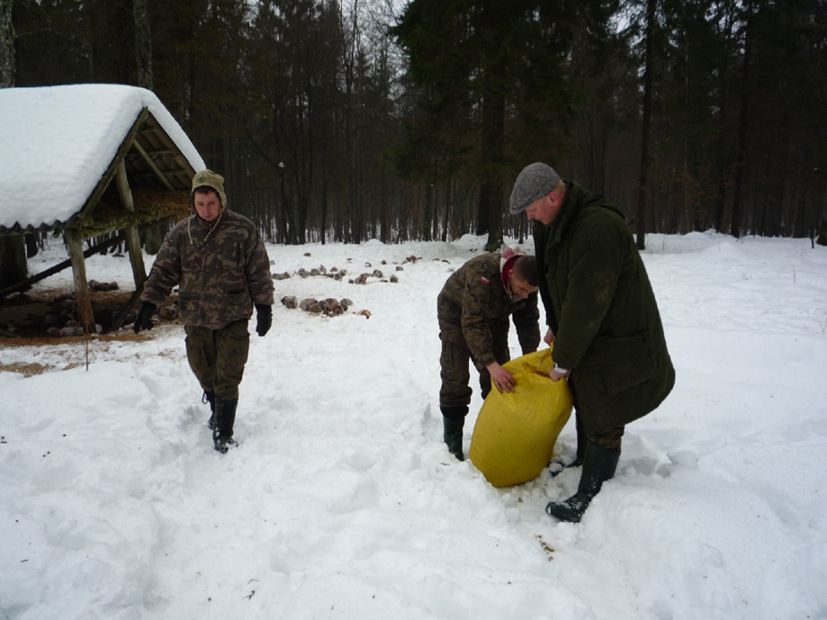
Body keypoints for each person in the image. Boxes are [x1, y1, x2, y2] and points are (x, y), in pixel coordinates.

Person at [509, 162, 675, 522]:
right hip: (590, 330)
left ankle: (593, 492)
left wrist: (563, 357)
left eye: (533, 209)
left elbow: (588, 299)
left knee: (605, 405)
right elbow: (556, 280)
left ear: (553, 196)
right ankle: (583, 461)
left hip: (619, 335)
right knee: (585, 392)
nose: (531, 217)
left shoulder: (598, 227)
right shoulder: (551, 224)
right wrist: (555, 325)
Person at [133, 169, 275, 453]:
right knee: (203, 370)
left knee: (229, 373)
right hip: (195, 315)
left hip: (232, 314)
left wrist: (263, 306)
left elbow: (258, 270)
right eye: (200, 204)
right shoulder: (181, 233)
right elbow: (163, 270)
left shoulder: (242, 229)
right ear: (193, 203)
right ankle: (215, 407)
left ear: (221, 200)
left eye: (211, 203)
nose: (206, 210)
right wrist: (149, 303)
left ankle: (224, 431)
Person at [437, 248, 541, 460]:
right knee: (455, 374)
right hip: (456, 313)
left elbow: (528, 322)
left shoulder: (528, 283)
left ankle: (496, 432)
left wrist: (531, 357)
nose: (525, 295)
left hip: (495, 316)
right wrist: (490, 364)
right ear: (511, 274)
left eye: (530, 292)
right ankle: (452, 443)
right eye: (522, 289)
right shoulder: (482, 273)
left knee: (501, 379)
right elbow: (472, 322)